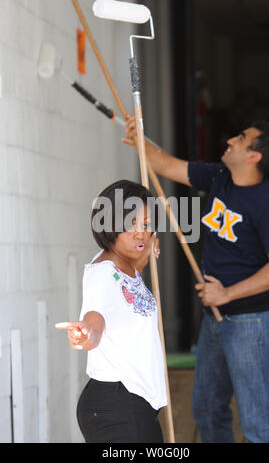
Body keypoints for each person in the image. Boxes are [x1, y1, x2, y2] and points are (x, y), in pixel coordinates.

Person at [123, 117, 269, 443]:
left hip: (252, 323)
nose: (230, 139)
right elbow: (168, 166)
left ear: (254, 156)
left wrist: (227, 293)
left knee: (257, 421)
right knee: (207, 410)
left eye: (241, 139)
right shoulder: (220, 177)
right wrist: (139, 138)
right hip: (216, 319)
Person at [56, 180, 167, 443]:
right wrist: (86, 335)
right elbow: (94, 320)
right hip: (116, 407)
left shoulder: (125, 268)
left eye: (147, 225)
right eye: (132, 225)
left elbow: (128, 282)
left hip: (136, 404)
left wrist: (147, 254)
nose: (141, 233)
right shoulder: (103, 274)